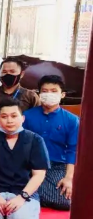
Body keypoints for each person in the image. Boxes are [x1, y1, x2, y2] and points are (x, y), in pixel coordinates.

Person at [0, 100, 50, 219]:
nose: (9, 120)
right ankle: (5, 213)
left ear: (22, 118)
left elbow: (39, 174)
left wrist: (22, 197)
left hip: (22, 191)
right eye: (4, 117)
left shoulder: (35, 140)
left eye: (14, 116)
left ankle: (13, 214)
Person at [24, 75, 79, 210]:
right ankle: (32, 191)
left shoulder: (72, 120)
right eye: (45, 91)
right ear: (39, 94)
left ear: (62, 94)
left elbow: (72, 150)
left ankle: (30, 193)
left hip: (56, 166)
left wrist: (69, 178)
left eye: (54, 91)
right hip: (29, 164)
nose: (49, 94)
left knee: (64, 202)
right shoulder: (27, 116)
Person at [0, 57, 40, 136]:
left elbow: (37, 121)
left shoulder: (31, 96)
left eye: (12, 71)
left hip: (22, 139)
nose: (8, 75)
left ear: (21, 74)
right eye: (4, 72)